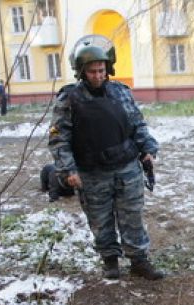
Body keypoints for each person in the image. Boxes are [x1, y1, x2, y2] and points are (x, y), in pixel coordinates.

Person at [48, 41, 164, 280]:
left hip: (127, 168)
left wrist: (148, 148)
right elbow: (59, 138)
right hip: (92, 172)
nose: (98, 75)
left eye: (102, 70)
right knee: (100, 220)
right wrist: (68, 170)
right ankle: (110, 260)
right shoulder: (69, 99)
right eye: (92, 71)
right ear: (81, 71)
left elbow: (137, 124)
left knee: (132, 217)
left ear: (108, 68)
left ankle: (139, 261)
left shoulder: (121, 92)